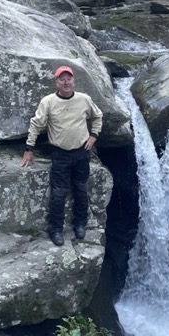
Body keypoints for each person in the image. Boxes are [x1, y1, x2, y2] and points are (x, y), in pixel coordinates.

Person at [20, 65, 103, 247]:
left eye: (69, 78)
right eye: (62, 79)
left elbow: (97, 116)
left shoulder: (84, 99)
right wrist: (29, 148)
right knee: (59, 194)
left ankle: (80, 224)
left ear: (74, 81)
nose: (66, 82)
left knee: (81, 190)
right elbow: (36, 124)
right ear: (56, 82)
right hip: (60, 154)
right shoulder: (48, 102)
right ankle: (56, 229)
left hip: (82, 152)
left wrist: (94, 135)